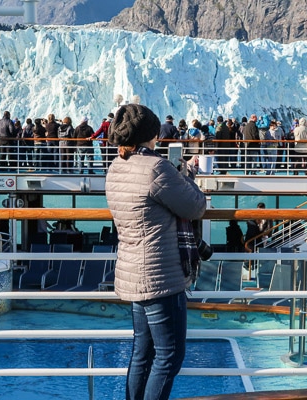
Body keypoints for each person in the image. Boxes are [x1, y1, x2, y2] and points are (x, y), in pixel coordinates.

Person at [105, 104, 206, 400]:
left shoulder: (116, 166)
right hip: (161, 274)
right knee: (169, 355)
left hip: (133, 271)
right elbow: (195, 206)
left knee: (142, 353)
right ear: (152, 134)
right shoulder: (155, 168)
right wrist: (185, 175)